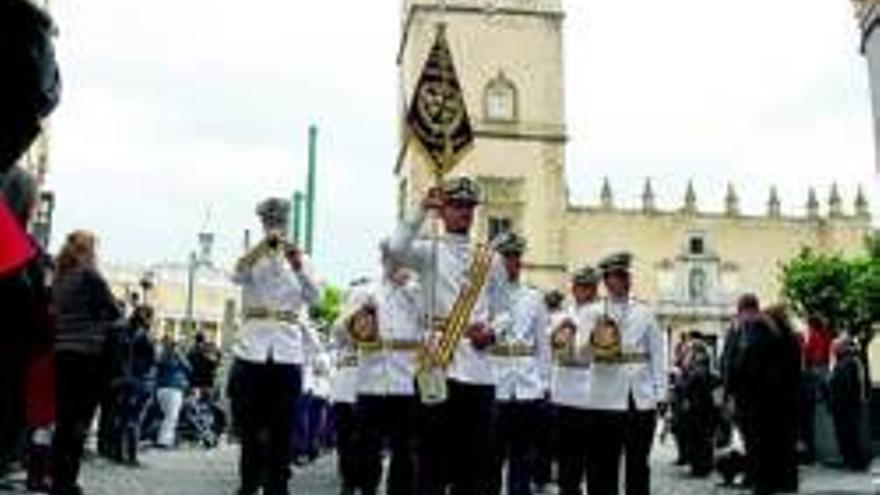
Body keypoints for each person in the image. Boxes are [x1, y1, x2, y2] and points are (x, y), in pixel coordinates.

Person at [386, 176, 509, 494]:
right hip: (436, 363)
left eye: (469, 206)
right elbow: (395, 249)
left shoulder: (490, 259)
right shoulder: (429, 251)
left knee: (475, 460)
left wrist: (493, 331)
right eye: (456, 206)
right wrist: (420, 210)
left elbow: (505, 312)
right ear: (443, 211)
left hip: (477, 368)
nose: (464, 213)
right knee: (430, 457)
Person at [229, 197, 322, 495]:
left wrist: (297, 265)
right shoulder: (251, 255)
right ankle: (247, 484)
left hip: (286, 350)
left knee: (282, 427)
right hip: (252, 350)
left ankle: (277, 486)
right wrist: (260, 249)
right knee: (250, 427)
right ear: (263, 224)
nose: (275, 228)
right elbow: (237, 275)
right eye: (270, 223)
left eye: (279, 223)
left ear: (287, 224)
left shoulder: (301, 258)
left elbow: (315, 297)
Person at [583, 252, 667, 495]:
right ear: (605, 281)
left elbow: (657, 356)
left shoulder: (645, 312)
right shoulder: (593, 312)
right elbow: (580, 353)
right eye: (614, 276)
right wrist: (593, 340)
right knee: (603, 465)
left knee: (638, 465)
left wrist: (660, 394)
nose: (620, 280)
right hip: (604, 398)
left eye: (623, 275)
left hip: (638, 399)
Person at [51, 230, 122, 495]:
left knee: (64, 421)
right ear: (88, 250)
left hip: (62, 354)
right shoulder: (90, 276)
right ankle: (68, 482)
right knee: (80, 421)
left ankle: (58, 480)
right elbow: (114, 311)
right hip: (88, 356)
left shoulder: (61, 278)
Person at [348, 248, 422, 495]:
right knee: (368, 446)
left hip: (405, 381)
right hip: (371, 381)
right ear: (383, 260)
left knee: (405, 448)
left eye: (401, 259)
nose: (397, 265)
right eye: (392, 259)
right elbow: (341, 332)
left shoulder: (417, 294)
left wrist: (410, 291)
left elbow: (431, 325)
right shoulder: (364, 292)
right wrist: (361, 315)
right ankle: (366, 489)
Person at [484, 232, 550, 495]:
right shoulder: (483, 296)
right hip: (494, 382)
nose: (513, 263)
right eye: (507, 258)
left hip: (525, 387)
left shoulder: (534, 298)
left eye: (516, 257)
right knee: (491, 456)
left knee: (522, 457)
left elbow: (542, 346)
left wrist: (543, 383)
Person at [728, 303, 801, 494]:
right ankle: (786, 483)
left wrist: (733, 391)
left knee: (759, 447)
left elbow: (741, 367)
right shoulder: (791, 339)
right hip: (785, 403)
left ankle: (763, 485)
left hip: (757, 402)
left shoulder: (757, 334)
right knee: (782, 446)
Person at [549, 266, 600, 495]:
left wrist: (577, 349)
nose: (584, 291)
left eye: (589, 287)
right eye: (580, 286)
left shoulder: (603, 315)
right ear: (573, 288)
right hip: (564, 394)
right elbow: (556, 350)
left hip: (592, 396)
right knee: (567, 461)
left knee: (593, 461)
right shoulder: (561, 316)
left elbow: (600, 352)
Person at [106, 305, 157, 464]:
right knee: (133, 419)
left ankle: (118, 454)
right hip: (135, 380)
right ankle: (131, 456)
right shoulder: (142, 335)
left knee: (120, 417)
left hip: (119, 379)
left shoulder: (119, 330)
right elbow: (150, 361)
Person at [329, 283, 366, 495]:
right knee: (344, 437)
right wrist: (355, 311)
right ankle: (347, 480)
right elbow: (339, 331)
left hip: (366, 386)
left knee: (363, 438)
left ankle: (360, 477)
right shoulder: (342, 322)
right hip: (344, 386)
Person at [533, 289, 566, 494]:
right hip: (556, 386)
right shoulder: (562, 322)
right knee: (556, 437)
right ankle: (551, 473)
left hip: (544, 386)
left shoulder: (544, 322)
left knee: (542, 437)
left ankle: (541, 475)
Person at [828, 336, 870, 471]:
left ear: (842, 347)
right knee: (847, 434)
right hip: (846, 405)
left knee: (849, 435)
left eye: (835, 346)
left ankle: (855, 462)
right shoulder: (848, 361)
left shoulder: (847, 362)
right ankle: (852, 461)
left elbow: (846, 386)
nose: (833, 349)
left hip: (845, 406)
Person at [799, 316, 832, 464]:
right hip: (819, 372)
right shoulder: (824, 335)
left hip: (814, 375)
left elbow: (816, 357)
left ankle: (809, 454)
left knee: (807, 424)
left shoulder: (815, 336)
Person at [155, 335, 190, 448]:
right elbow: (189, 368)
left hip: (161, 388)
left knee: (167, 415)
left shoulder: (161, 357)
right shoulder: (177, 358)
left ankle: (164, 438)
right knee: (171, 416)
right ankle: (164, 441)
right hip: (173, 389)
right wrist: (180, 355)